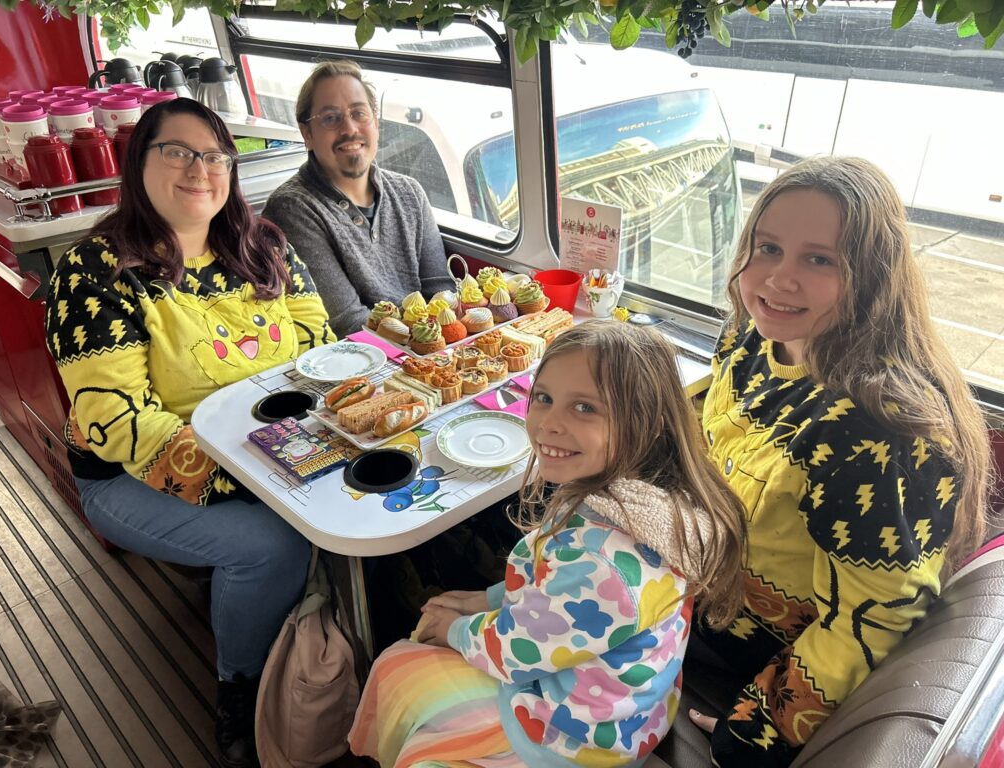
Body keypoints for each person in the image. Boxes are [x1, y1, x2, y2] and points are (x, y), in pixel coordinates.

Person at [44, 98, 338, 768]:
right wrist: (261, 480)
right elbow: (119, 424)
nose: (199, 169)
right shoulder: (95, 272)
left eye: (214, 155)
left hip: (278, 452)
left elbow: (321, 350)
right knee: (271, 545)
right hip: (127, 476)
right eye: (176, 151)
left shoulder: (264, 243)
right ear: (138, 163)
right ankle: (240, 685)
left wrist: (313, 451)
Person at [675, 156, 993, 767]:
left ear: (872, 276)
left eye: (819, 260)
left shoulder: (872, 439)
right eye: (766, 247)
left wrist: (755, 728)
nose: (777, 278)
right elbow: (715, 431)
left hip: (743, 640)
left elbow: (872, 620)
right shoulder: (753, 339)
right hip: (694, 566)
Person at [348, 321, 748, 766]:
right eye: (544, 398)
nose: (550, 424)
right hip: (637, 707)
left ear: (646, 424)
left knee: (398, 665)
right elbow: (557, 592)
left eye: (584, 407)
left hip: (577, 738)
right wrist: (488, 598)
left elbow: (516, 653)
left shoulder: (605, 564)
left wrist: (456, 631)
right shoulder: (643, 499)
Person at [262, 59, 455, 338]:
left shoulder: (410, 193)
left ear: (375, 123)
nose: (349, 129)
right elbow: (348, 323)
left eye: (359, 113)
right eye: (330, 118)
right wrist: (424, 341)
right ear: (307, 135)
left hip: (428, 348)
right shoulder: (292, 209)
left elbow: (440, 288)